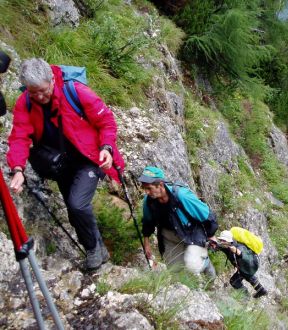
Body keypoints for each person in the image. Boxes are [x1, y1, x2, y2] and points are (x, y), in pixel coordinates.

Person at [7, 58, 124, 270]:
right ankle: (99, 249)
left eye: (43, 90)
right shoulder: (24, 103)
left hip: (89, 159)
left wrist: (106, 148)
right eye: (34, 93)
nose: (40, 97)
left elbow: (106, 121)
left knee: (77, 204)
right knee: (74, 213)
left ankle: (92, 252)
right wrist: (17, 169)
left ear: (52, 80)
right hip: (60, 164)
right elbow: (19, 138)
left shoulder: (76, 91)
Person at [139, 166, 217, 276]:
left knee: (193, 264)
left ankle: (208, 271)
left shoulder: (182, 195)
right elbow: (148, 222)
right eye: (144, 188)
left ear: (160, 185)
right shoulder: (149, 201)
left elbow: (207, 215)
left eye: (149, 188)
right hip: (169, 237)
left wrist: (211, 234)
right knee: (175, 271)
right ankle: (188, 290)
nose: (146, 192)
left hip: (192, 234)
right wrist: (146, 243)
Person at [213, 230, 268, 298]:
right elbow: (219, 247)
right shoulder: (227, 245)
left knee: (234, 281)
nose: (221, 242)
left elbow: (246, 256)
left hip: (248, 265)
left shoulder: (239, 247)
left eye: (223, 240)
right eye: (221, 240)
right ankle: (261, 290)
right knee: (248, 276)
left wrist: (237, 252)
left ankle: (246, 296)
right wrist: (214, 246)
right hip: (245, 267)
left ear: (229, 241)